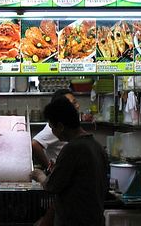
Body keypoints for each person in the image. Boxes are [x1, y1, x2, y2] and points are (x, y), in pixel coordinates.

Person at [31, 97, 108, 226]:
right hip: (95, 219)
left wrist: (40, 175)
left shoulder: (73, 148)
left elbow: (52, 186)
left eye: (52, 127)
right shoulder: (96, 146)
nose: (53, 133)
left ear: (60, 126)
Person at [32, 89, 80, 170]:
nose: (77, 106)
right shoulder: (54, 127)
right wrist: (48, 168)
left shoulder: (71, 127)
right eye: (73, 104)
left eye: (76, 102)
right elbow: (34, 144)